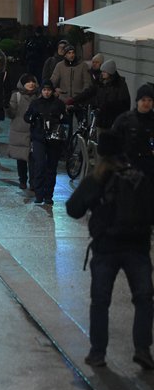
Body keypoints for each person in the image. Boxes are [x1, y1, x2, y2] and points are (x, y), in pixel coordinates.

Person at [65, 131, 154, 370]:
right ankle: (143, 350)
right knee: (144, 299)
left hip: (106, 247)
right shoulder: (139, 176)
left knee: (101, 301)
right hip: (138, 247)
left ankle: (97, 353)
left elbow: (73, 209)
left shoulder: (97, 178)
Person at [24, 80, 67, 204]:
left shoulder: (58, 104)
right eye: (44, 90)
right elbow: (27, 116)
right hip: (39, 137)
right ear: (41, 91)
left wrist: (60, 118)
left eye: (48, 90)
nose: (46, 92)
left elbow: (66, 118)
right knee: (40, 165)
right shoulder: (35, 103)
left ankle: (48, 195)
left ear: (52, 91)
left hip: (54, 139)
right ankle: (39, 194)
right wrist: (32, 118)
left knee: (52, 167)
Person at [70, 59, 131, 134]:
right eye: (102, 71)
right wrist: (74, 100)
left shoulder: (119, 85)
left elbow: (124, 104)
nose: (102, 73)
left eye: (104, 71)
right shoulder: (100, 82)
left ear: (110, 72)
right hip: (101, 119)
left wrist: (107, 107)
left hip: (114, 120)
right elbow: (89, 92)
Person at [111, 83, 154, 186]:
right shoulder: (125, 120)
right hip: (128, 166)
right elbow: (113, 141)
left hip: (149, 167)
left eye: (149, 100)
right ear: (137, 101)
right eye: (143, 100)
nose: (146, 103)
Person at [6, 74, 40, 190]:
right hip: (19, 131)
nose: (31, 84)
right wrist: (7, 107)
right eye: (28, 82)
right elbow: (11, 114)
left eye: (33, 81)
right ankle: (22, 180)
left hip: (34, 132)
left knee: (33, 159)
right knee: (21, 159)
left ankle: (33, 182)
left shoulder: (38, 97)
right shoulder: (17, 96)